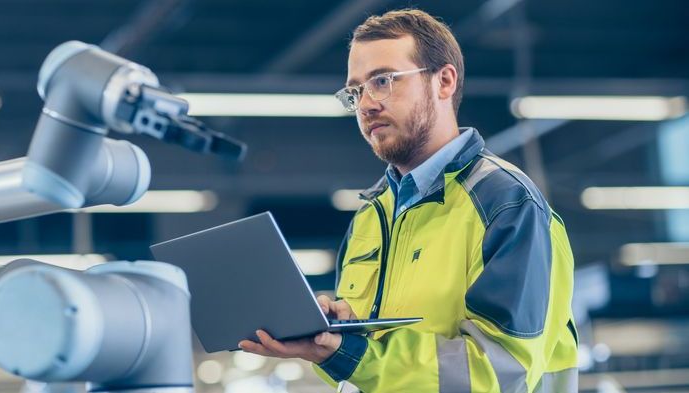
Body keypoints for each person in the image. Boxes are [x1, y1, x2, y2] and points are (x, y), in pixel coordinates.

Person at [239, 8, 578, 393]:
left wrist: (351, 353)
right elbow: (370, 366)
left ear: (444, 81)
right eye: (356, 91)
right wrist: (329, 336)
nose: (365, 104)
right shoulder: (371, 216)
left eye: (383, 80)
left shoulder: (507, 205)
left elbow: (496, 372)